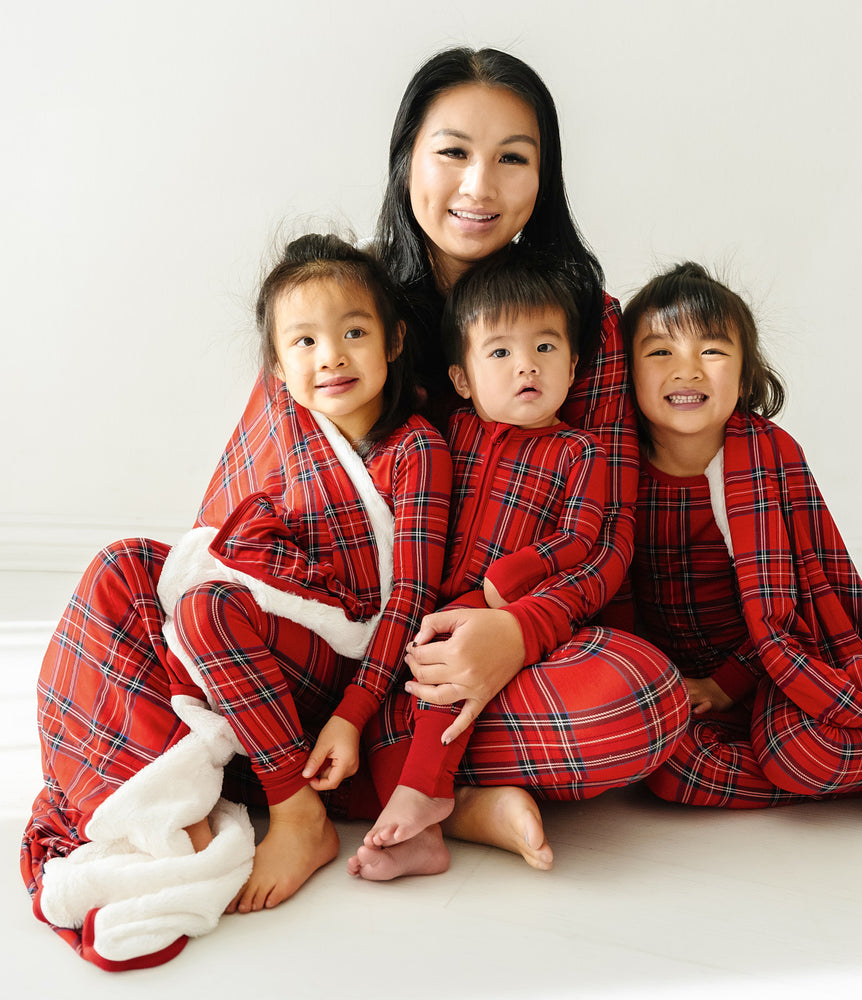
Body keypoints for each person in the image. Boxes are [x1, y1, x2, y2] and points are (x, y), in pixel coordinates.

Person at [201, 47, 690, 875]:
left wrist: (512, 632)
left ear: (546, 176)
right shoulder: (338, 303)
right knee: (196, 643)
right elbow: (248, 498)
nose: (480, 187)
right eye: (454, 152)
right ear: (406, 162)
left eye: (513, 159)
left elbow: (606, 537)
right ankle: (433, 792)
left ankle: (369, 776)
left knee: (641, 700)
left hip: (499, 652)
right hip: (344, 639)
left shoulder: (590, 322)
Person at [21, 234, 452, 968]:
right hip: (266, 633)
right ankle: (137, 798)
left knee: (206, 611)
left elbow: (409, 596)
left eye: (354, 332)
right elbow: (231, 537)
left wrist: (354, 712)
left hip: (343, 657)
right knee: (121, 565)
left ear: (394, 339)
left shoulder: (415, 449)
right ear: (279, 368)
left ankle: (295, 809)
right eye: (306, 341)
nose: (332, 357)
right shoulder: (286, 431)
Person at [616, 261, 862, 853]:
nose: (687, 369)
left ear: (744, 376)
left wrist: (725, 684)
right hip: (676, 674)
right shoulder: (616, 466)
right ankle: (829, 770)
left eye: (712, 350)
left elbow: (785, 612)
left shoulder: (764, 455)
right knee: (670, 773)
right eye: (660, 351)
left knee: (798, 753)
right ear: (625, 372)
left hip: (782, 662)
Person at [355, 250, 608, 874]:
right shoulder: (450, 434)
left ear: (573, 365)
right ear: (462, 378)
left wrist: (512, 576)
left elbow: (584, 537)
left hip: (499, 610)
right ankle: (437, 823)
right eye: (500, 352)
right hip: (424, 600)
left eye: (546, 349)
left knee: (445, 680)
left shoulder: (578, 450)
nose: (527, 365)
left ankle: (419, 799)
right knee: (396, 704)